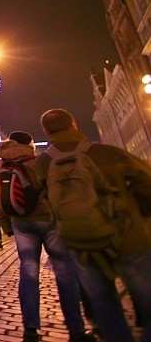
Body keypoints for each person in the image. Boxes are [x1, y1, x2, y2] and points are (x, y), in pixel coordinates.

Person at [38, 109, 151, 342]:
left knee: (105, 308)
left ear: (46, 132)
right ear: (74, 125)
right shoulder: (106, 153)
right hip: (129, 237)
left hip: (82, 242)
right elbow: (146, 182)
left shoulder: (42, 164)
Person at [0, 130, 95, 342]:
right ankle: (76, 330)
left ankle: (30, 329)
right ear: (28, 144)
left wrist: (7, 225)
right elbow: (55, 190)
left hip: (21, 223)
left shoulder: (1, 164)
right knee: (64, 273)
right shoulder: (40, 160)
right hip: (48, 220)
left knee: (28, 271)